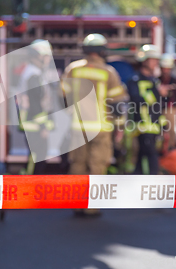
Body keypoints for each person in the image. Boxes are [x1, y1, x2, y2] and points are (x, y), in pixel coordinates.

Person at [62, 34, 128, 216]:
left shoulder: (73, 70)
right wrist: (120, 127)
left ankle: (77, 203)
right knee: (97, 166)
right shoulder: (109, 73)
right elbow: (117, 104)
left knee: (77, 165)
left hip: (78, 127)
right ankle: (92, 206)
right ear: (102, 51)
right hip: (100, 128)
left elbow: (62, 97)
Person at [127, 44, 168, 175]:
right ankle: (155, 186)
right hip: (141, 126)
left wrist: (164, 126)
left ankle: (136, 184)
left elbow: (158, 106)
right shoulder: (134, 81)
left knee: (141, 159)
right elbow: (137, 101)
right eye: (153, 60)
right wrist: (156, 92)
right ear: (145, 60)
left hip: (154, 127)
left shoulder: (154, 81)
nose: (156, 63)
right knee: (151, 158)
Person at [17, 39, 54, 175]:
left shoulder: (34, 73)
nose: (49, 59)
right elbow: (35, 104)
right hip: (34, 126)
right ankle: (30, 188)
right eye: (47, 56)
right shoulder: (33, 75)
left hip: (33, 125)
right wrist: (43, 127)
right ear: (39, 56)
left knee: (38, 158)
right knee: (37, 159)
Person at [159, 54, 176, 151]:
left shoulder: (175, 80)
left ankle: (171, 149)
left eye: (168, 68)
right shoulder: (157, 80)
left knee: (171, 131)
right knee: (160, 131)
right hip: (158, 109)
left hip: (171, 109)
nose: (166, 71)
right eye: (164, 68)